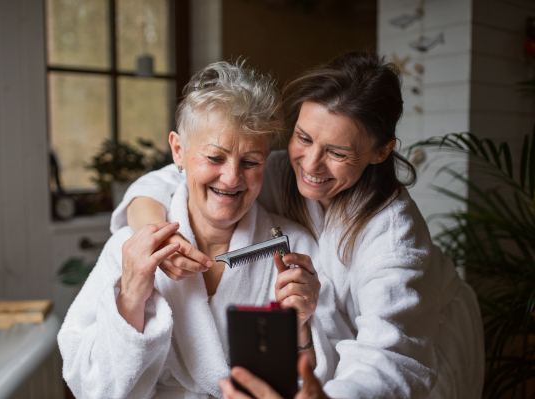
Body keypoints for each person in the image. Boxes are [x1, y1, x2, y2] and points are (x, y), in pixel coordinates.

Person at [111, 51, 485, 399]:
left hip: (421, 341)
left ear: (380, 151)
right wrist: (158, 237)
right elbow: (171, 180)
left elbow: (389, 357)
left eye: (338, 152)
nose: (311, 165)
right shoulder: (272, 171)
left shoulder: (391, 234)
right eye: (303, 138)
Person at [58, 61, 338, 399]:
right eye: (215, 158)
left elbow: (323, 385)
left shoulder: (296, 250)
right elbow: (89, 385)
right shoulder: (131, 248)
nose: (233, 178)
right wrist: (131, 295)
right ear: (178, 150)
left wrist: (302, 326)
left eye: (251, 162)